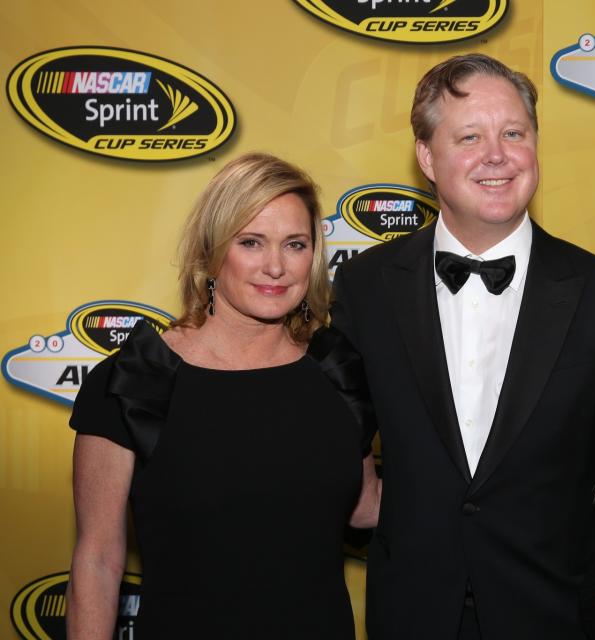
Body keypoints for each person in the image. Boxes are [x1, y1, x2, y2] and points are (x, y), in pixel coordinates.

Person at [325, 53, 595, 639]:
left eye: (514, 133)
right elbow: (334, 421)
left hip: (556, 613)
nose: (497, 155)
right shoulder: (366, 286)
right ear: (427, 157)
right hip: (413, 611)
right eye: (470, 137)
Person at [66, 152, 379, 639]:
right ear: (213, 251)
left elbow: (364, 506)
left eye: (294, 244)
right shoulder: (135, 382)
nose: (275, 266)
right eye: (251, 242)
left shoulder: (335, 368)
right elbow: (98, 560)